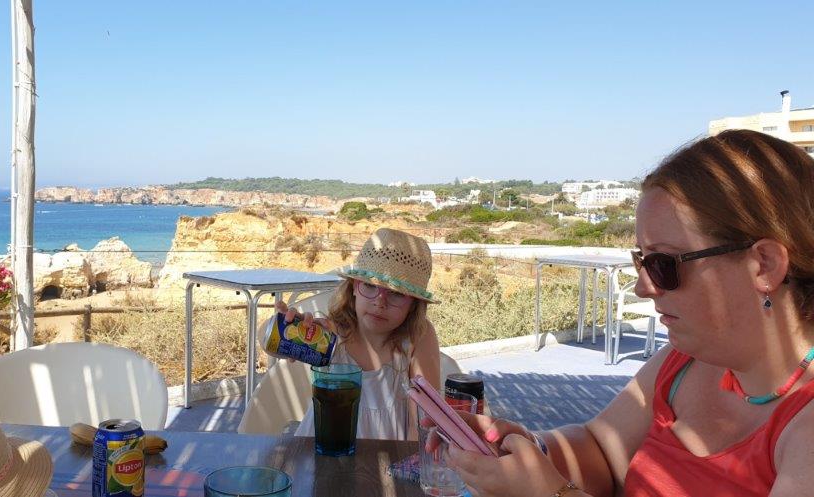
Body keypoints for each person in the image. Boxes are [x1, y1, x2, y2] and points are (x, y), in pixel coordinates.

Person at [434, 130, 814, 497]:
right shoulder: (687, 360)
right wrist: (528, 452)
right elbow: (604, 450)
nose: (643, 286)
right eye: (641, 260)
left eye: (664, 263)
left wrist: (548, 494)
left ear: (763, 265)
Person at [280, 227, 442, 441]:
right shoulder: (330, 333)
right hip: (323, 453)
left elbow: (425, 421)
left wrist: (412, 467)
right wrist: (285, 330)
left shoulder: (417, 337)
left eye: (396, 293)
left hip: (388, 464)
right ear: (354, 287)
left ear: (413, 304)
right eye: (369, 285)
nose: (380, 301)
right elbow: (268, 343)